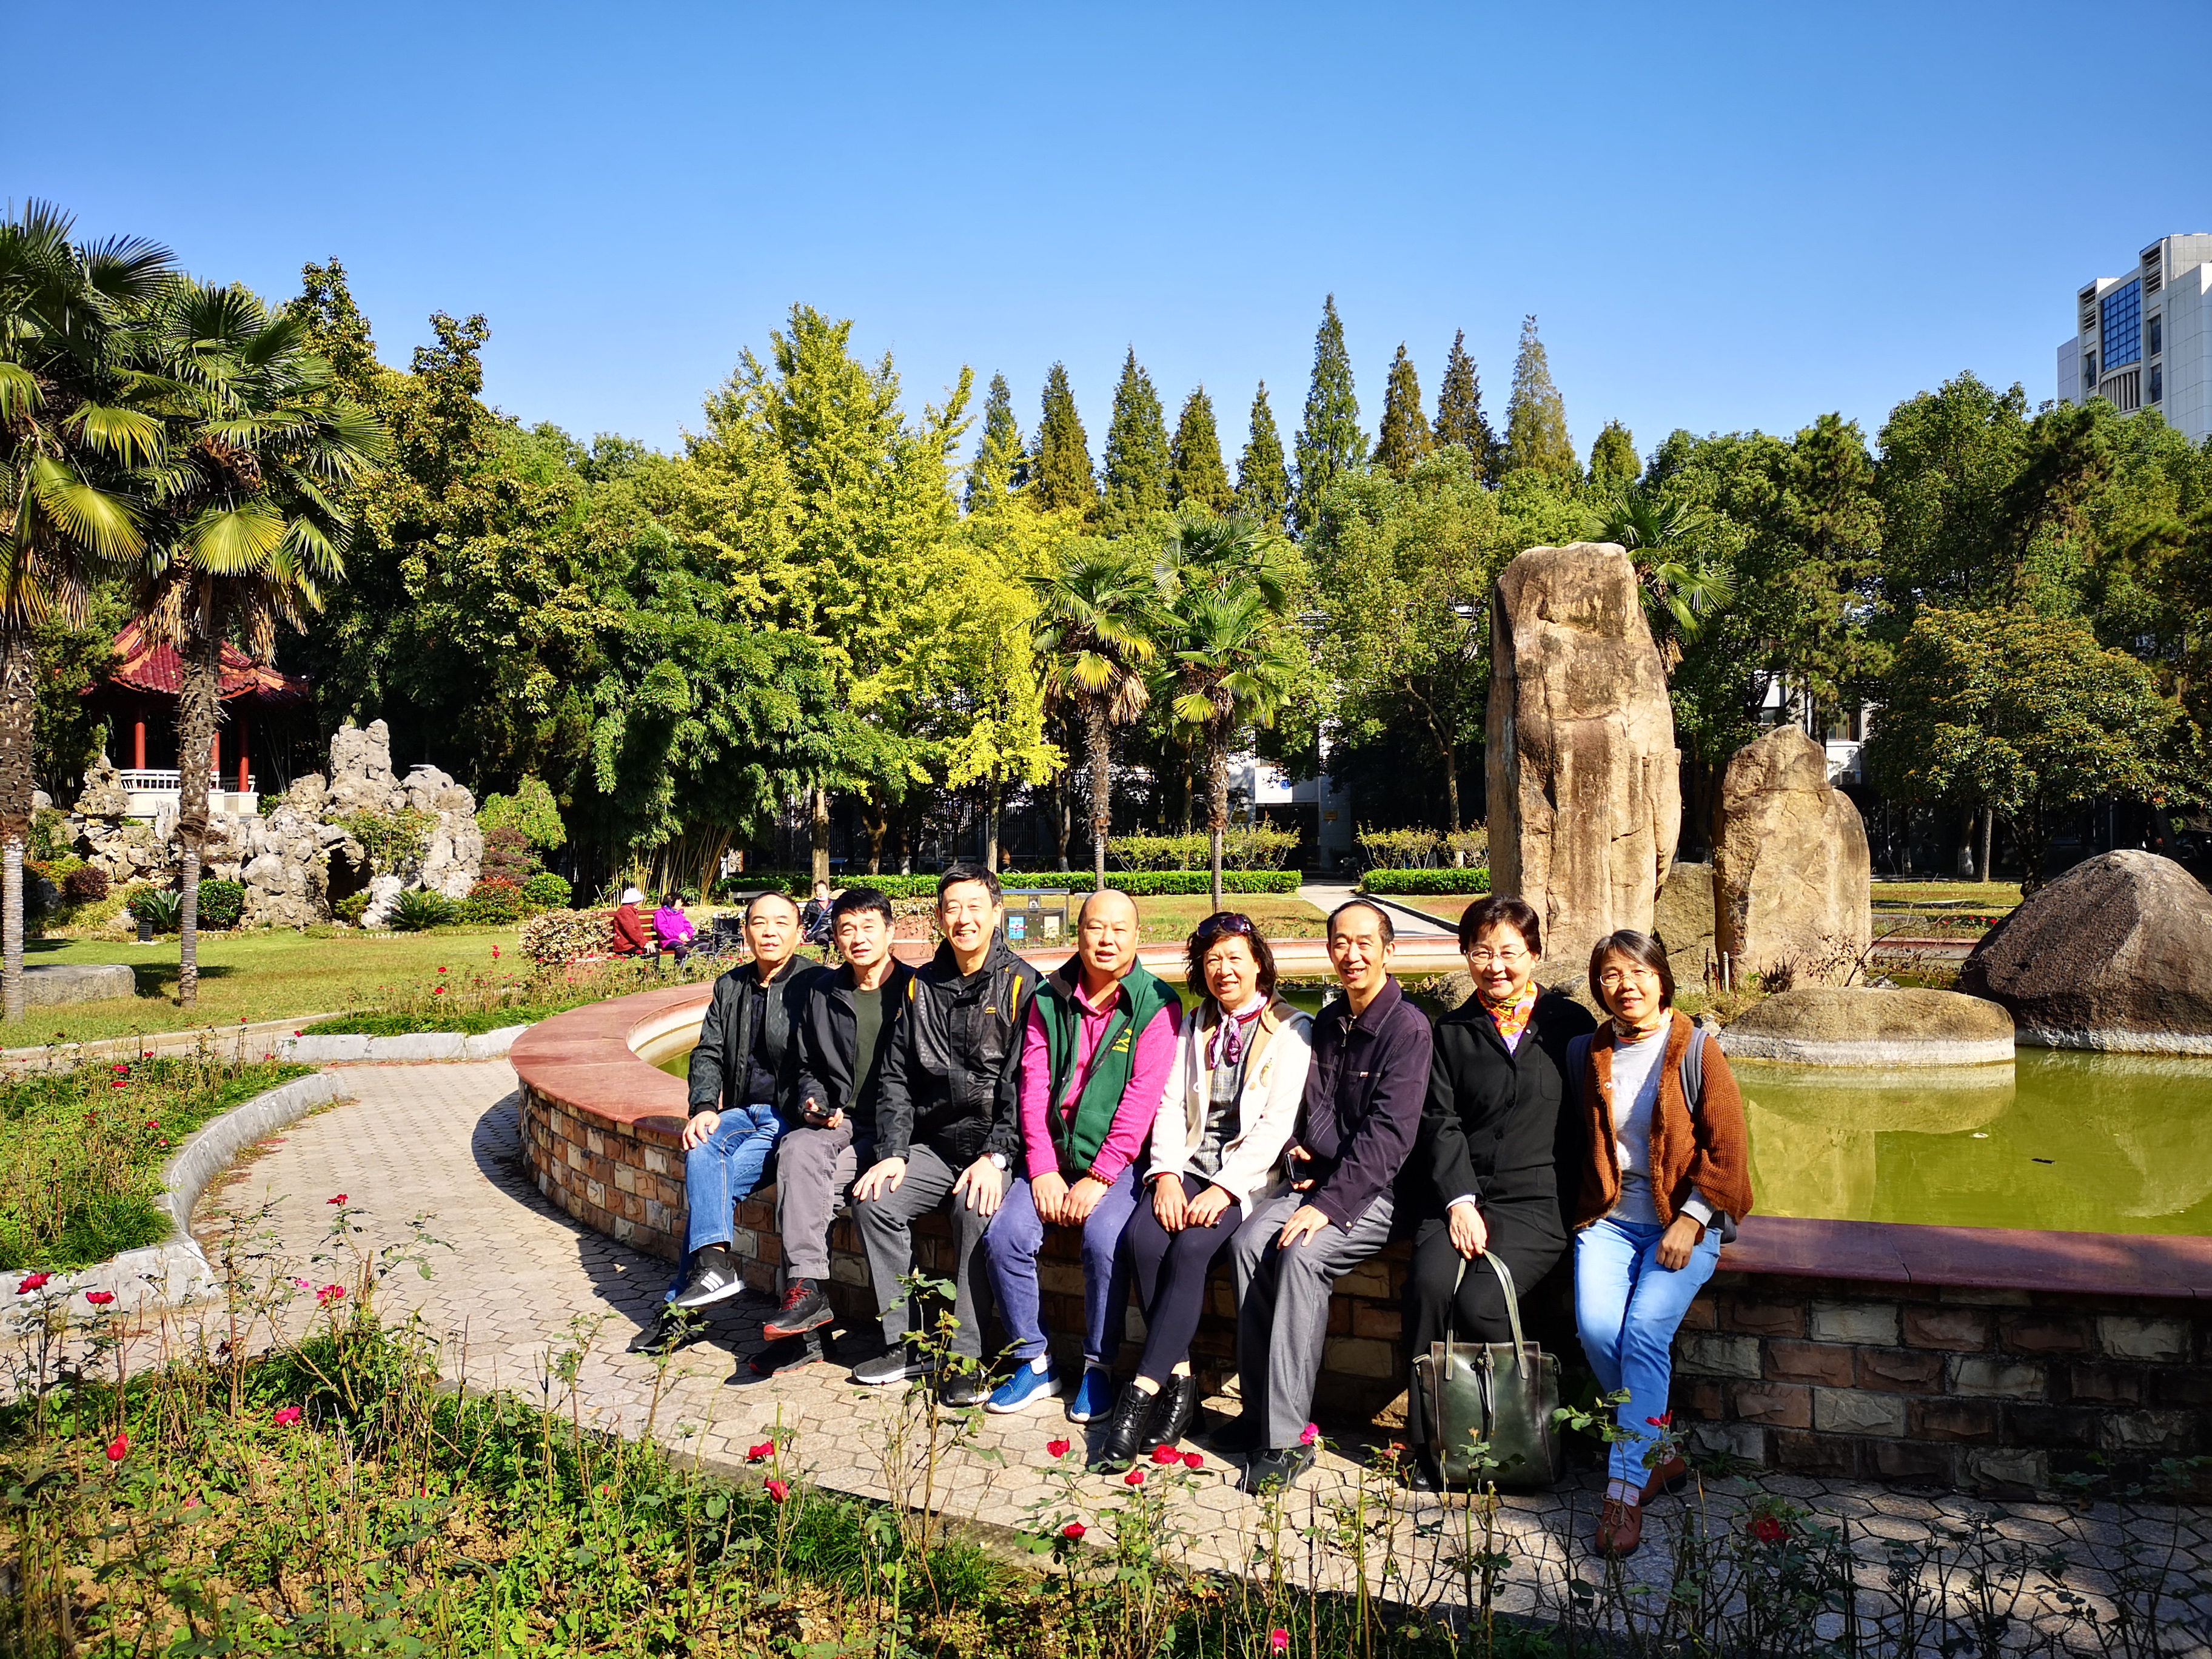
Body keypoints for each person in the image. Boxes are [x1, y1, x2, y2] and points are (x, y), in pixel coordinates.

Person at [1222, 899, 1432, 1493]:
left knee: (1302, 1257)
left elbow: (1390, 1138)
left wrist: (1327, 1206)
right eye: (1341, 942)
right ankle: (1259, 1414)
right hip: (1322, 1182)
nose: (1352, 954)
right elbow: (1305, 1108)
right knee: (1247, 1244)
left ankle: (1288, 1441)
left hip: (1378, 1193)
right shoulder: (1332, 1019)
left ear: (1389, 951)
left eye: (1365, 943)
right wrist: (1296, 1154)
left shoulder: (1408, 1029)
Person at [1569, 929, 1752, 1558]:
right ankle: (1662, 1452)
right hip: (1609, 1220)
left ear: (1661, 978)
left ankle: (1624, 1492)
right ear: (1599, 987)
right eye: (1611, 975)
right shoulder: (1589, 1051)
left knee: (1645, 1333)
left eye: (1638, 973)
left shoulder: (1697, 1049)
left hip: (1682, 1220)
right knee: (1598, 1332)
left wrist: (1692, 1218)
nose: (1626, 986)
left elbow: (1729, 1151)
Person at [1104, 913, 1310, 1468]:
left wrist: (1224, 1189)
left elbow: (1276, 1126)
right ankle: (1182, 1386)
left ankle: (1140, 1395)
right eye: (1212, 960)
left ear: (1259, 963)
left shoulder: (1293, 1028)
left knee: (1192, 1249)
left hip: (1248, 1179)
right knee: (1144, 1239)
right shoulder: (1194, 1024)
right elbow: (1170, 1105)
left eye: (1235, 958)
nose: (1224, 970)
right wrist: (1167, 1175)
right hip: (1189, 1163)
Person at [1403, 896, 1594, 1491]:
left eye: (1509, 952)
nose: (1496, 965)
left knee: (1482, 1302)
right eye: (1482, 952)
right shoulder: (1451, 1032)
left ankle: (1522, 1432)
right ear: (1466, 955)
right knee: (1429, 1286)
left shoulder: (1568, 1027)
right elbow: (1440, 1122)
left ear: (1534, 954)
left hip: (1539, 1201)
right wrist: (1459, 1201)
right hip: (1462, 1197)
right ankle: (1430, 1442)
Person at [981, 888, 1179, 1421]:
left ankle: (1098, 1366)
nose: (1107, 939)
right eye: (1096, 927)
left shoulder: (1157, 1004)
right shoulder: (1049, 997)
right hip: (1052, 1159)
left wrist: (1101, 1175)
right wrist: (1043, 1169)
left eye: (1119, 929)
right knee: (1005, 1236)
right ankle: (1034, 1359)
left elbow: (1141, 1101)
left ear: (1137, 937)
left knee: (1104, 1240)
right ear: (1079, 933)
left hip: (1119, 1165)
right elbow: (1033, 1088)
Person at [849, 863, 1034, 1403]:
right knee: (874, 1202)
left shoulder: (1023, 985)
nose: (964, 919)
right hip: (934, 1146)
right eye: (952, 908)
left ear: (996, 912)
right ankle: (906, 1343)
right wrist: (893, 1152)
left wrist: (997, 1156)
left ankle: (967, 1356)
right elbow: (896, 1077)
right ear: (938, 917)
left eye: (975, 907)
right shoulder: (921, 986)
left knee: (973, 1211)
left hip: (995, 1149)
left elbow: (1026, 1085)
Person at [751, 886, 916, 1378]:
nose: (858, 938)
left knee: (820, 1189)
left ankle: (900, 1339)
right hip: (842, 1122)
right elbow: (808, 1066)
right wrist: (813, 1101)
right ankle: (806, 1297)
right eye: (847, 929)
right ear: (835, 938)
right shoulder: (823, 992)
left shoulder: (916, 989)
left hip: (897, 1129)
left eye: (868, 927)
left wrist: (898, 1143)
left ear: (890, 931)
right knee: (798, 1151)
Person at [641, 891, 823, 1333]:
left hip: (787, 1117)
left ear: (800, 933)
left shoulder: (817, 984)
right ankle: (711, 1274)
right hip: (740, 1113)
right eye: (759, 923)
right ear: (745, 931)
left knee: (712, 1186)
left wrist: (814, 1103)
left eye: (781, 923)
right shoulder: (730, 986)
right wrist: (704, 1107)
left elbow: (824, 1059)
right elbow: (708, 1053)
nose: (770, 932)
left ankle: (680, 1311)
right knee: (702, 1143)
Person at [654, 892, 698, 964]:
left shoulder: (678, 914)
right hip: (669, 941)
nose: (681, 904)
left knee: (704, 946)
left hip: (684, 940)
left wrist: (686, 934)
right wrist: (678, 936)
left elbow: (688, 926)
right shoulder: (660, 914)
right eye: (679, 902)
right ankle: (678, 969)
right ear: (671, 902)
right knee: (681, 949)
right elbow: (663, 931)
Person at [610, 885, 651, 956]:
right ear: (634, 901)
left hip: (632, 944)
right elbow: (632, 931)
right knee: (653, 953)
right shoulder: (625, 911)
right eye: (639, 901)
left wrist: (646, 943)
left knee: (652, 951)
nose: (640, 902)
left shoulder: (631, 911)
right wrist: (643, 944)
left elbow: (637, 932)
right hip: (626, 947)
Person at [800, 879, 835, 950]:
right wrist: (802, 935)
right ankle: (825, 956)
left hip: (833, 930)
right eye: (818, 891)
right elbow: (804, 922)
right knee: (823, 941)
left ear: (827, 891)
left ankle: (839, 956)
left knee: (840, 939)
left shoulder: (835, 903)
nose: (820, 893)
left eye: (823, 890)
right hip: (819, 931)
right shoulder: (811, 905)